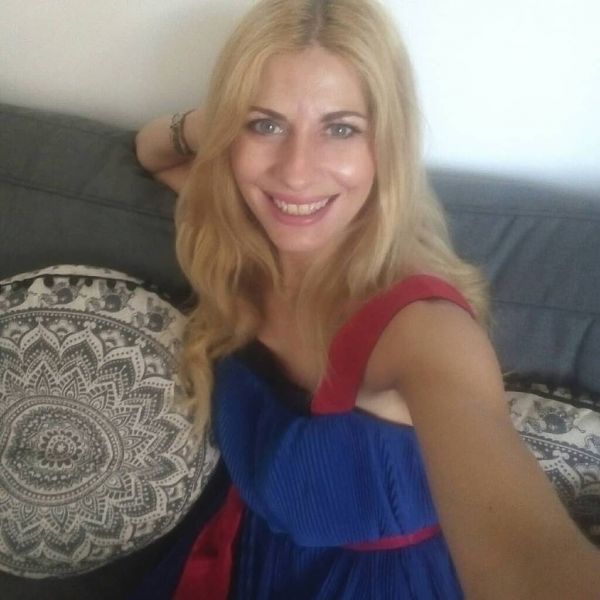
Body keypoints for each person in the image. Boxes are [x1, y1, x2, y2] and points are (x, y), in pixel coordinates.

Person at [135, 0, 600, 598]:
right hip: (237, 559)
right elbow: (153, 150)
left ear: (387, 144)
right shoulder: (244, 244)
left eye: (341, 129)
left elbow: (528, 562)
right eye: (267, 126)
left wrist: (258, 122)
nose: (296, 172)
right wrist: (226, 123)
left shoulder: (423, 330)